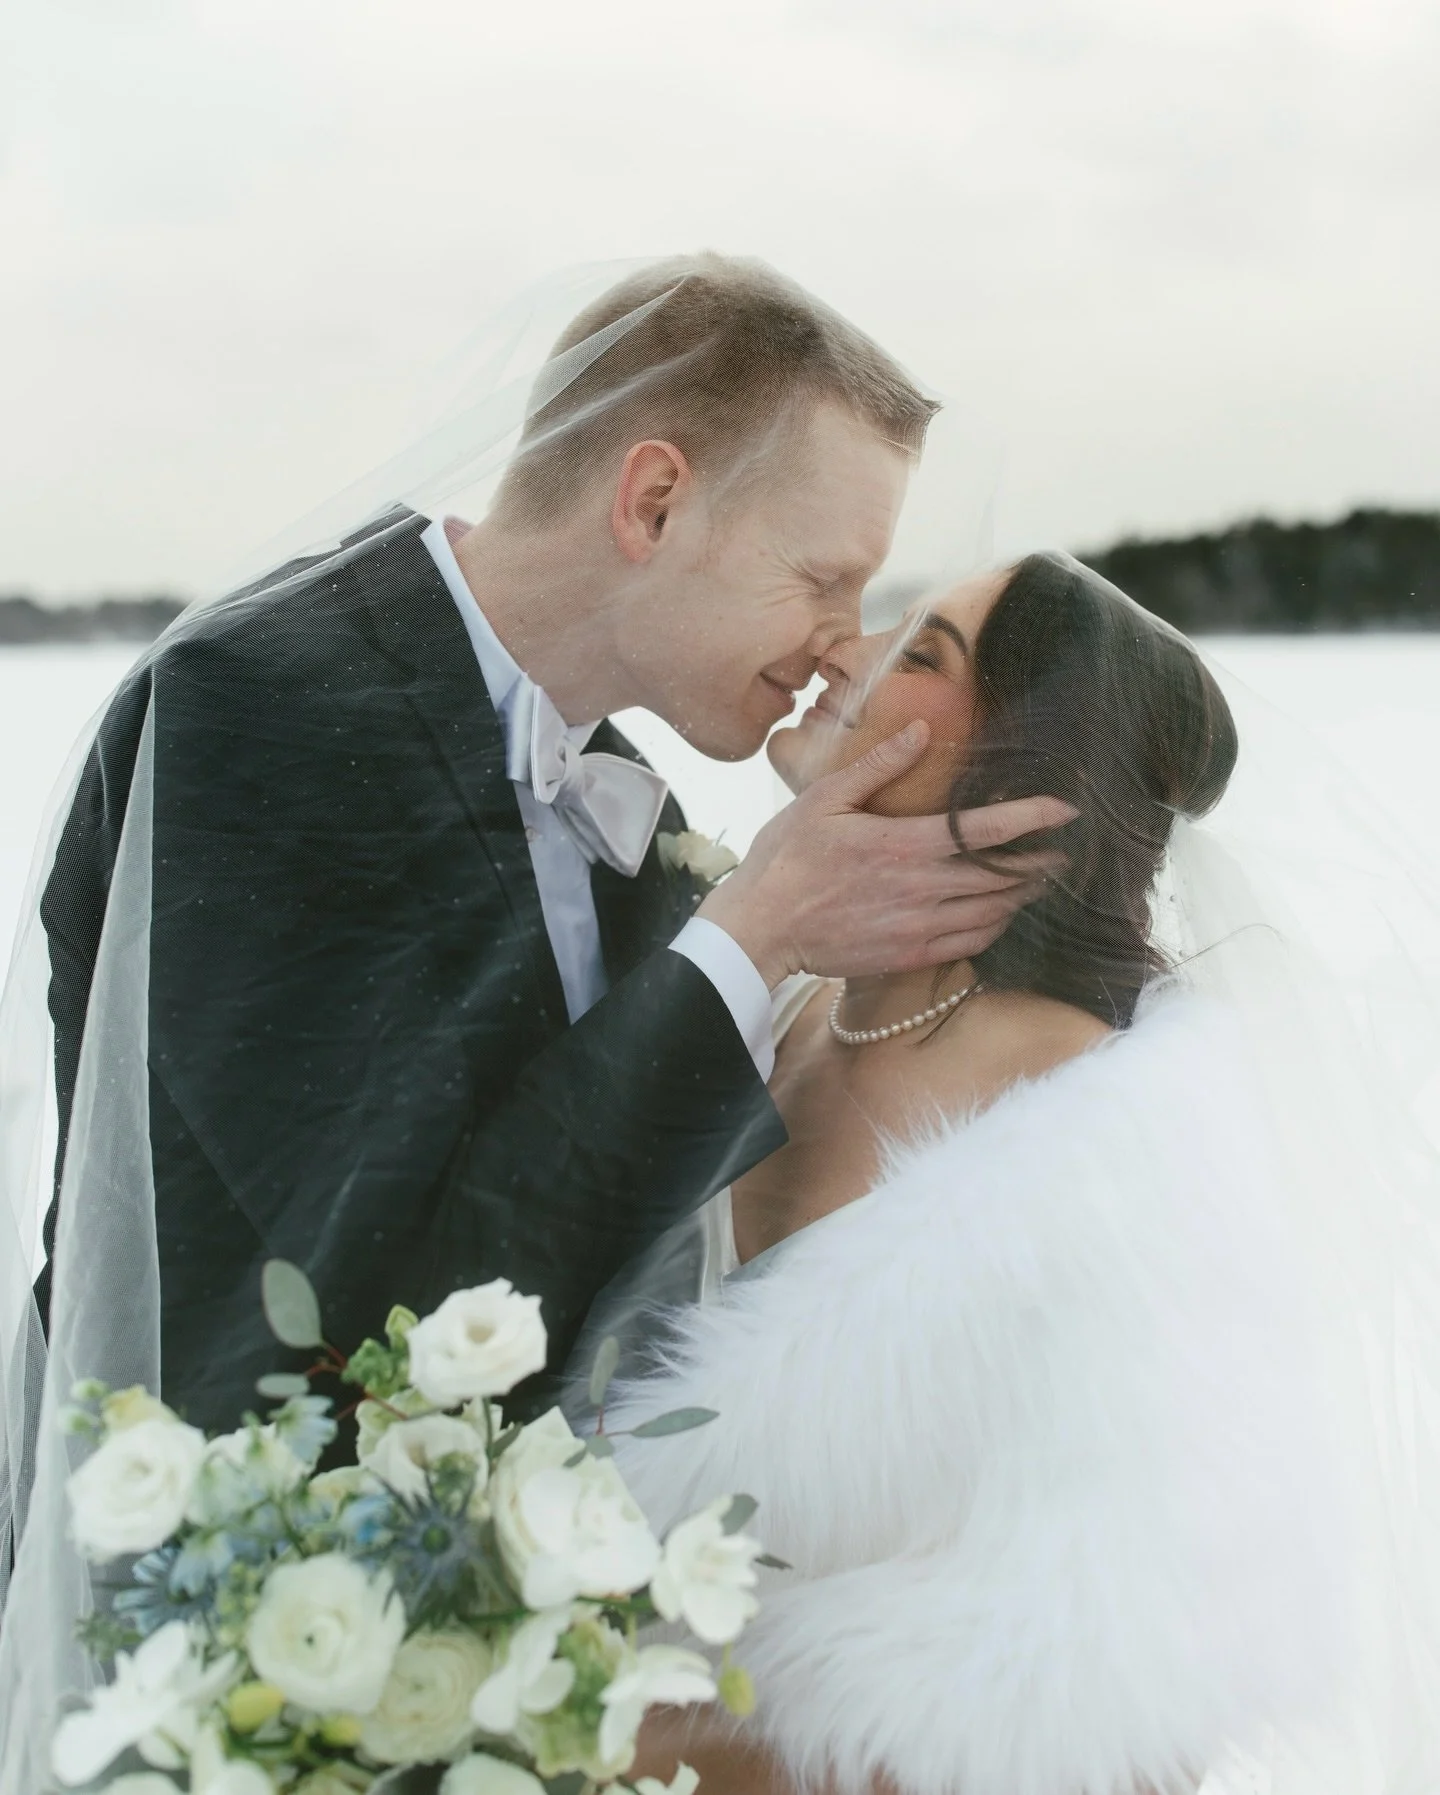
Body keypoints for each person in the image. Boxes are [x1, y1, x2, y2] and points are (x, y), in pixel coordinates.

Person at [31, 255, 1069, 1442]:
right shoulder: (257, 707)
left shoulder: (631, 804)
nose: (845, 644)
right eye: (824, 578)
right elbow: (354, 1313)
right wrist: (753, 932)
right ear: (653, 504)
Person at [579, 553, 1425, 1795]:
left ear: (1037, 780)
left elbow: (1133, 1703)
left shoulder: (1115, 1150)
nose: (840, 654)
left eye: (918, 654)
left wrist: (628, 1751)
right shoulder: (773, 1003)